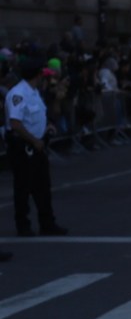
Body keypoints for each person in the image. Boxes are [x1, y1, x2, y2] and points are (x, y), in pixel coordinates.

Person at [4, 58, 69, 237]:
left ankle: (47, 223)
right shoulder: (18, 93)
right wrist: (33, 140)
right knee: (23, 188)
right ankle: (23, 225)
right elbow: (15, 123)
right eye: (42, 74)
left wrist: (47, 126)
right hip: (23, 146)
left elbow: (38, 116)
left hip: (37, 145)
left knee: (43, 187)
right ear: (37, 75)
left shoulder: (34, 92)